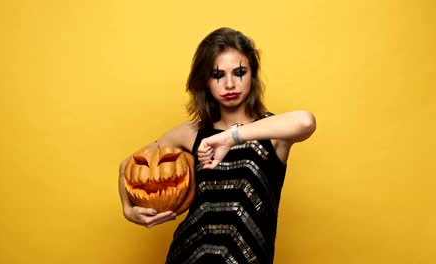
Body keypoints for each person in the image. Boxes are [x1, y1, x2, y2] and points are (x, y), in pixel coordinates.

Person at [118, 27, 316, 264]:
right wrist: (128, 210)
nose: (230, 83)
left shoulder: (272, 131)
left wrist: (232, 137)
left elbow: (306, 121)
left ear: (252, 75)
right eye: (218, 75)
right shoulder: (193, 133)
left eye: (239, 72)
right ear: (205, 81)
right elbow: (127, 166)